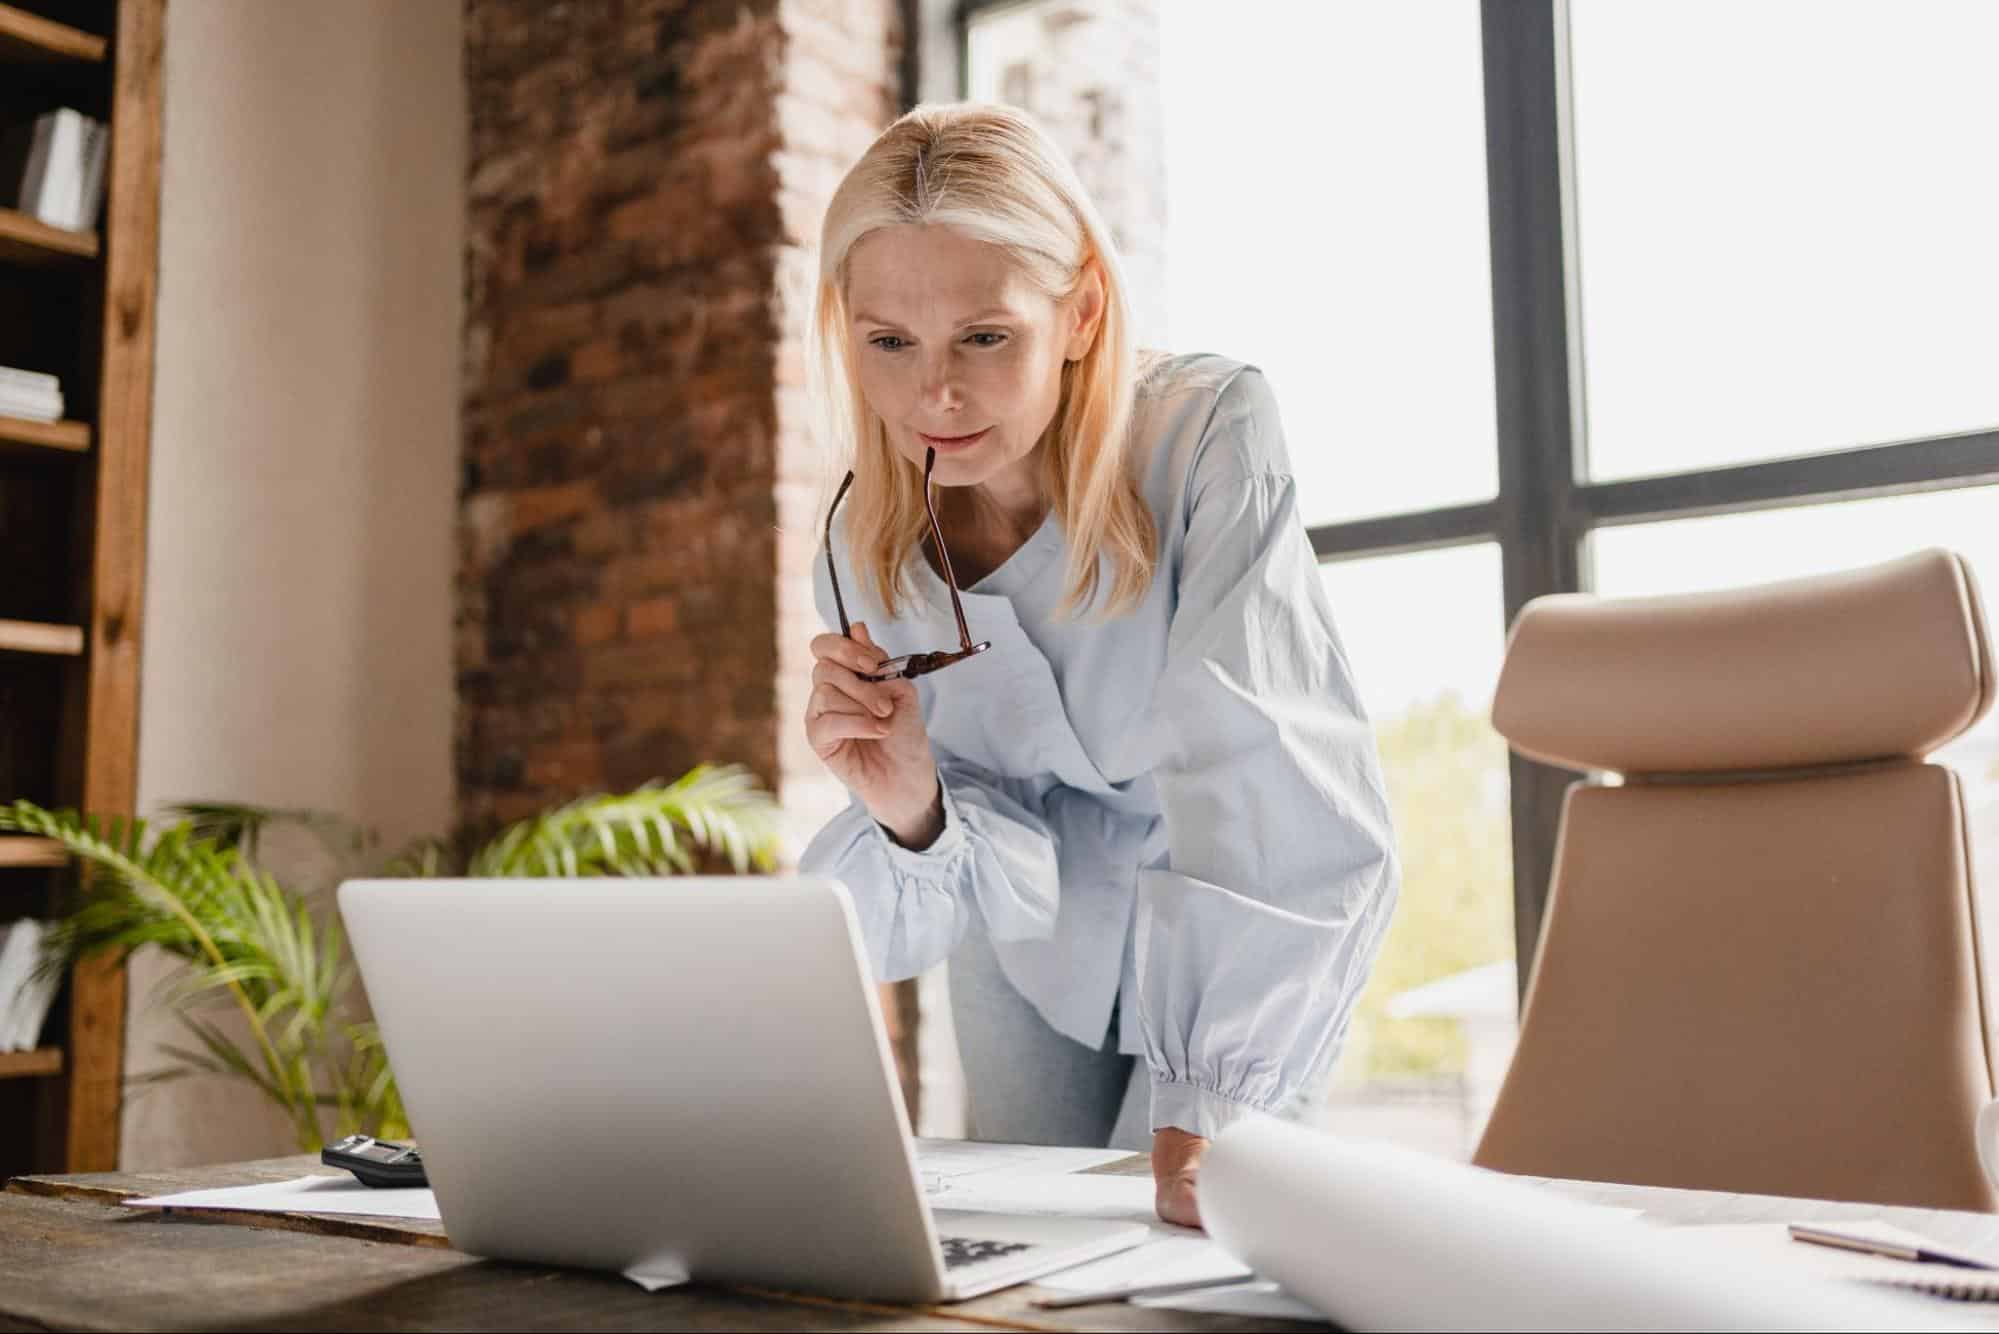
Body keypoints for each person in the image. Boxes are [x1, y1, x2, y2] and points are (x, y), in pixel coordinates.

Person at [798, 101, 1399, 1229]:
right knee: (1019, 1247)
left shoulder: (1207, 432)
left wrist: (1216, 1093)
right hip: (1034, 941)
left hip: (1232, 899)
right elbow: (961, 845)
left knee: (1183, 1247)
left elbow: (1260, 763)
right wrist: (912, 807)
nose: (935, 396)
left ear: (1079, 312)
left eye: (984, 336)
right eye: (890, 342)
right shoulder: (858, 543)